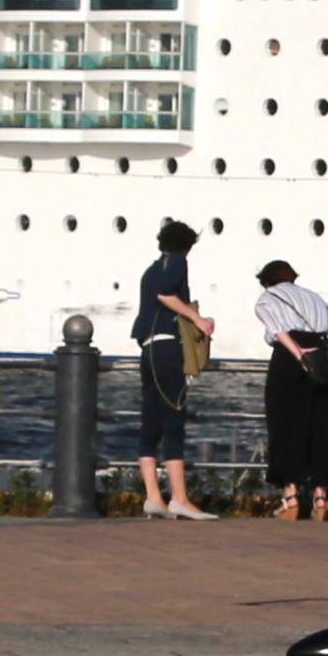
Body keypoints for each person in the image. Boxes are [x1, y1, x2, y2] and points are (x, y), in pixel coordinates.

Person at [132, 220, 214, 519]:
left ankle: (154, 497)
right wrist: (197, 319)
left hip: (148, 351)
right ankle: (179, 499)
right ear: (186, 245)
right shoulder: (177, 261)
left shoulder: (151, 269)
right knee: (173, 421)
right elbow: (166, 294)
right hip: (168, 349)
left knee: (150, 424)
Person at [253, 257, 328, 519]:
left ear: (267, 281)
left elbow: (279, 332)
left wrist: (299, 355)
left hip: (289, 361)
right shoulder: (316, 298)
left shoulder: (267, 299)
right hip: (322, 361)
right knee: (323, 427)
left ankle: (291, 499)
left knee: (285, 426)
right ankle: (321, 499)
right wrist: (327, 352)